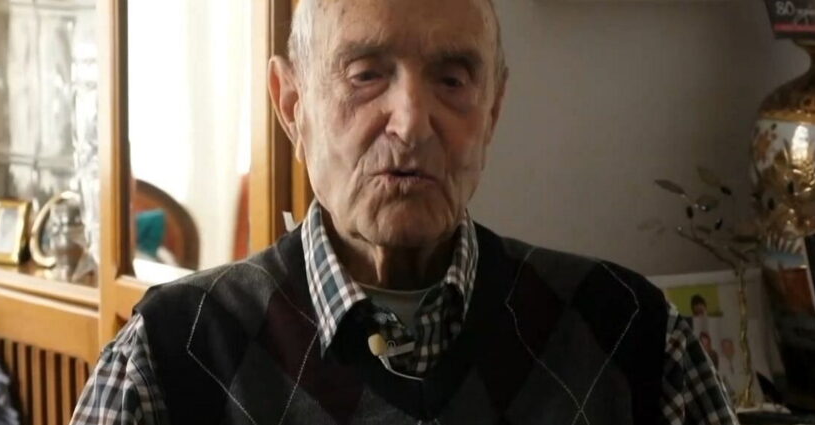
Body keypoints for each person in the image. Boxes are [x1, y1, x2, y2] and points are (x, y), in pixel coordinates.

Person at [71, 1, 742, 423]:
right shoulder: (173, 355)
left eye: (452, 79)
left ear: (493, 109)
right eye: (365, 74)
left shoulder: (630, 335)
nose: (412, 121)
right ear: (292, 104)